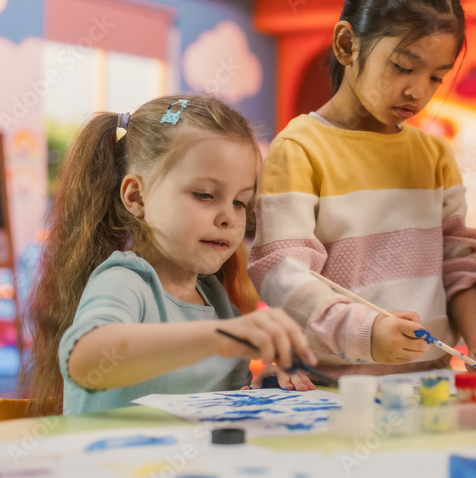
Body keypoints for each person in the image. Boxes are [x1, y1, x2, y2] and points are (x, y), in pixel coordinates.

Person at [249, 0, 476, 382]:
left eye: (436, 77)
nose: (418, 91)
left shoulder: (434, 157)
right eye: (403, 67)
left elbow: (459, 262)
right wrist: (364, 333)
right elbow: (283, 273)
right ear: (346, 45)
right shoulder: (299, 148)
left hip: (428, 384)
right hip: (330, 389)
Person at [18, 95, 317, 416]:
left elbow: (213, 407)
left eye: (239, 202)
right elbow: (85, 361)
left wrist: (261, 386)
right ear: (137, 197)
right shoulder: (124, 281)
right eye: (205, 195)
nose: (228, 217)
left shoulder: (218, 304)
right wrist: (217, 338)